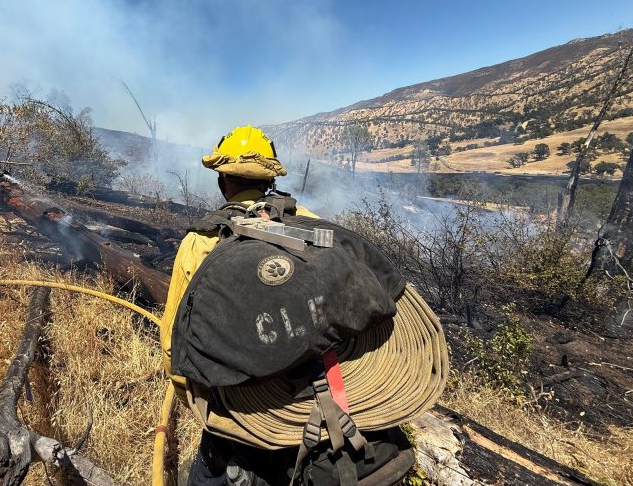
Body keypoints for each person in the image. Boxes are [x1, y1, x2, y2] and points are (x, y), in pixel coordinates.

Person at [161, 126, 448, 486]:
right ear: (270, 181)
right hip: (333, 393)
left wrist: (209, 410)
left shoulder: (200, 242)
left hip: (250, 409)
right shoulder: (311, 223)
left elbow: (175, 348)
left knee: (207, 475)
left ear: (222, 182)